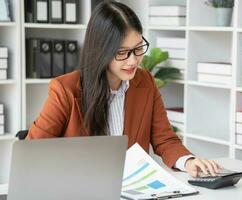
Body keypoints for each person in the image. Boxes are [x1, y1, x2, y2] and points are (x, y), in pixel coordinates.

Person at [26, 1, 221, 177]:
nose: (133, 60)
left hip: (132, 187)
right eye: (122, 52)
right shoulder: (65, 90)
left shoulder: (145, 82)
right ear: (101, 51)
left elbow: (164, 139)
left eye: (138, 48)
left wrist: (188, 161)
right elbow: (32, 153)